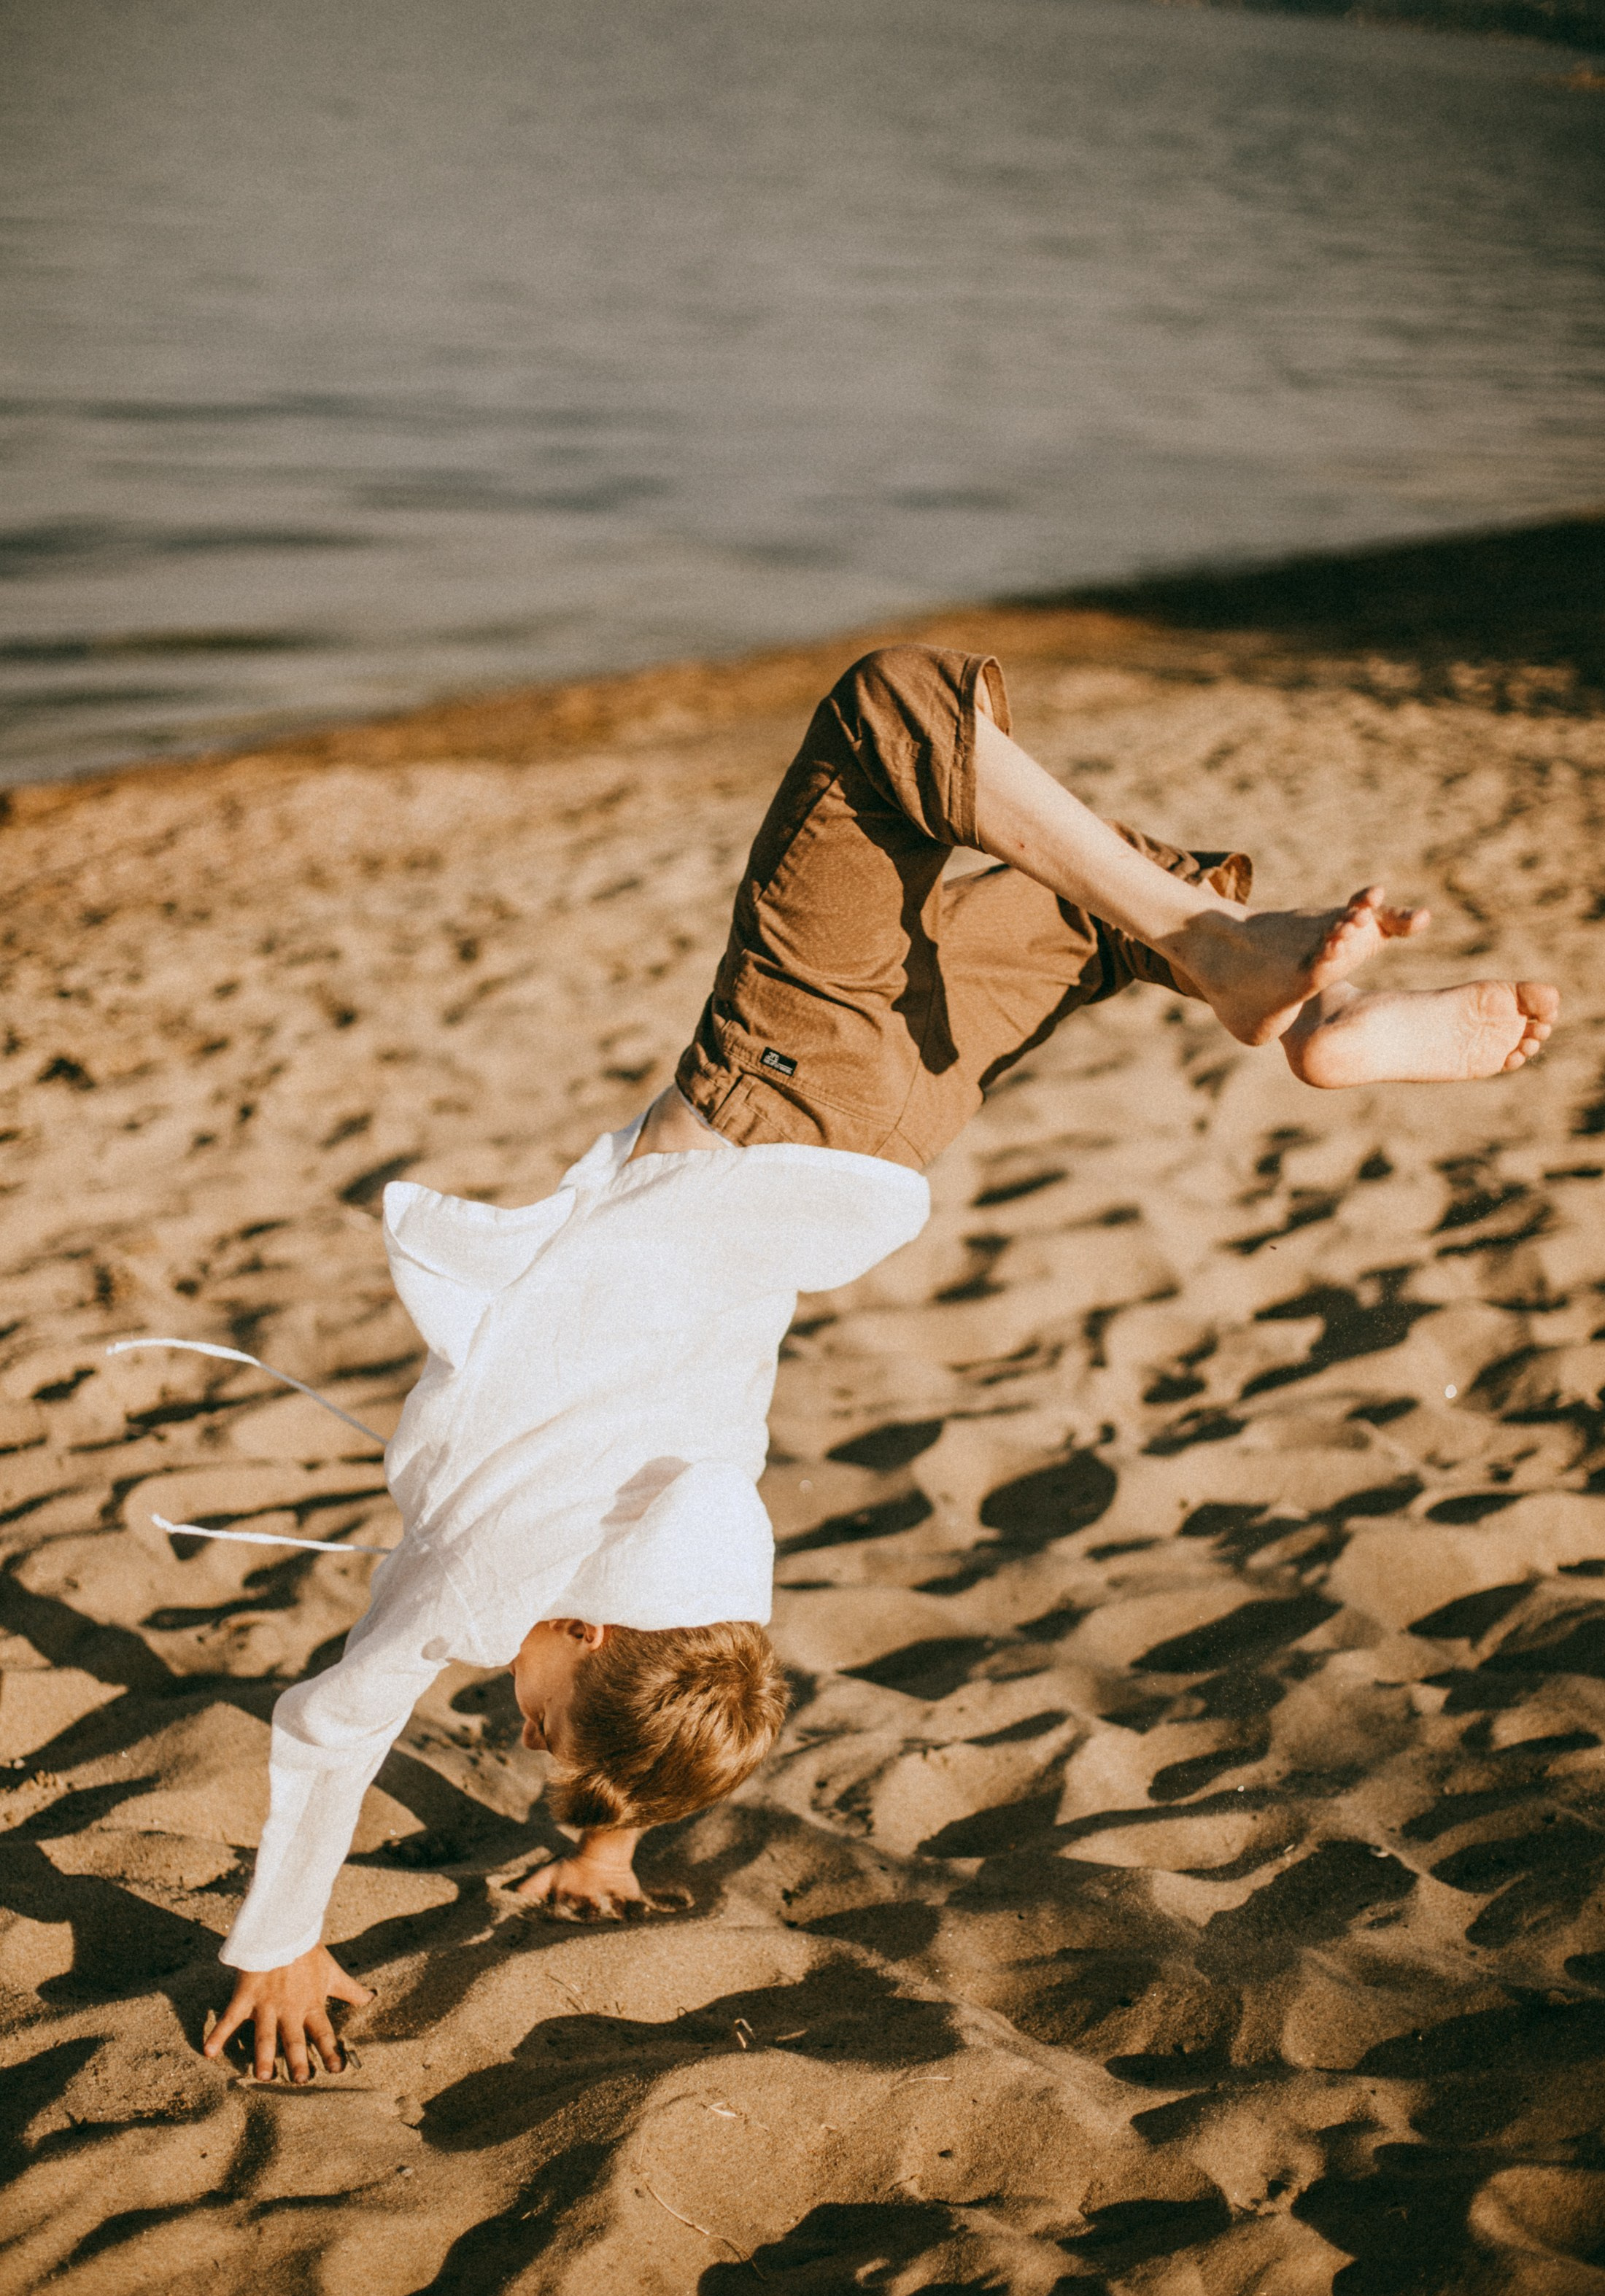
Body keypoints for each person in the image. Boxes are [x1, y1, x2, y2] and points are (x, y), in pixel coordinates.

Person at [200, 644, 1559, 2082]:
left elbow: (681, 1660)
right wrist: (276, 1940)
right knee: (890, 714)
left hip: (898, 1133)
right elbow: (330, 1721)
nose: (514, 1728)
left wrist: (607, 1840)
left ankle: (1273, 984)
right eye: (541, 1728)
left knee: (1081, 910)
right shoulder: (503, 1569)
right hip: (785, 1080)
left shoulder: (707, 1521)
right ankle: (1240, 967)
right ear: (588, 1627)